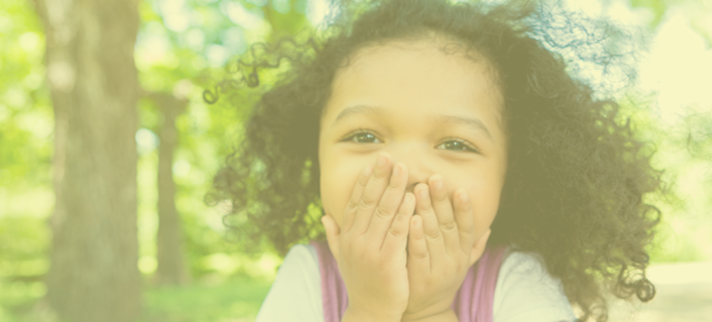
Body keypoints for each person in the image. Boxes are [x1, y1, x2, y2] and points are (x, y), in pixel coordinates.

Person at [205, 0, 663, 321]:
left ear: (512, 175)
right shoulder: (308, 275)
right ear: (315, 158)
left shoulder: (514, 279)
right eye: (364, 135)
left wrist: (428, 312)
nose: (405, 170)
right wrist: (368, 311)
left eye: (456, 144)